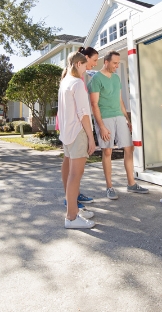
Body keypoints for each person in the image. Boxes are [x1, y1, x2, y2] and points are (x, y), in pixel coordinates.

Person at [89, 50, 148, 199]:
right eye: (114, 63)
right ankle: (109, 187)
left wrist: (127, 119)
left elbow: (120, 100)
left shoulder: (116, 78)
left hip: (119, 117)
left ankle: (131, 183)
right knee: (107, 151)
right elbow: (94, 105)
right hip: (105, 118)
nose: (116, 66)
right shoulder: (96, 79)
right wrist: (101, 126)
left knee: (129, 148)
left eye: (118, 63)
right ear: (106, 62)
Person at [59, 51, 97, 229]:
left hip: (67, 134)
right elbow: (84, 114)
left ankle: (73, 209)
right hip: (78, 133)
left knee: (70, 173)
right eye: (84, 65)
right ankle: (72, 217)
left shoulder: (64, 83)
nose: (86, 69)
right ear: (77, 64)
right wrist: (91, 137)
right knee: (76, 175)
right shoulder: (77, 84)